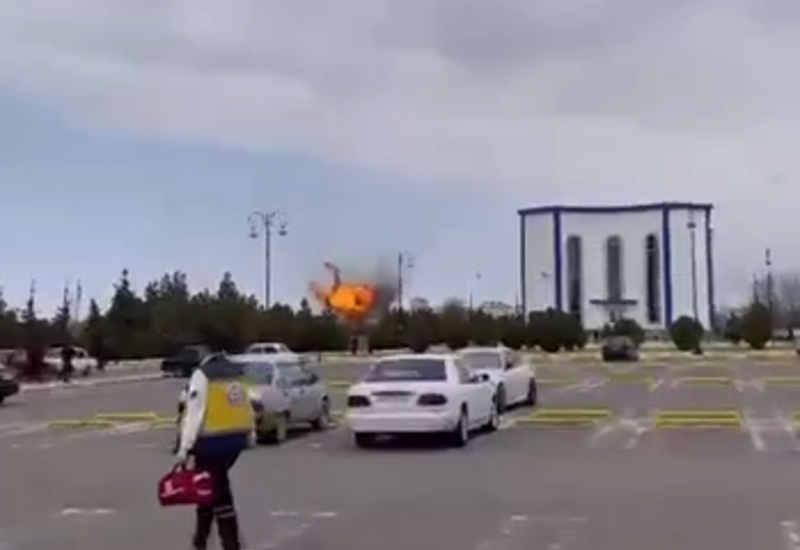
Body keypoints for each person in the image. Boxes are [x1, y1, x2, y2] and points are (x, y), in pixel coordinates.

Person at [174, 354, 253, 550]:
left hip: (212, 440)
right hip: (236, 439)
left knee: (219, 494)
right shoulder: (236, 372)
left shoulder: (202, 375)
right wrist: (251, 433)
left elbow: (195, 413)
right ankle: (201, 539)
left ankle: (228, 542)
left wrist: (184, 449)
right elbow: (247, 403)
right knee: (210, 487)